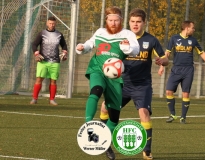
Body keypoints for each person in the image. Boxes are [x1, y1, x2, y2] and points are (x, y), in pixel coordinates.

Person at [99, 8, 168, 160]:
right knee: (105, 107)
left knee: (143, 112)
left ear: (144, 23)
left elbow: (165, 58)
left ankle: (147, 150)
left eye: (138, 22)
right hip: (121, 83)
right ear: (128, 22)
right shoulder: (119, 38)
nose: (135, 25)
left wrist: (162, 61)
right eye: (132, 22)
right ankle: (104, 142)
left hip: (142, 85)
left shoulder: (151, 40)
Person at [75, 6, 139, 160]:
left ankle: (105, 144)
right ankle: (88, 124)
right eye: (110, 20)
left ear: (121, 20)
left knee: (114, 117)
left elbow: (135, 49)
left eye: (116, 20)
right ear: (106, 20)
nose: (113, 22)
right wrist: (82, 47)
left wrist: (127, 49)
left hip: (115, 77)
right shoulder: (100, 32)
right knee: (96, 91)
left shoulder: (127, 34)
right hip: (97, 69)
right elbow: (90, 44)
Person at [165, 20, 205, 124]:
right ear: (187, 28)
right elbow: (167, 53)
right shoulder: (174, 38)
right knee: (169, 91)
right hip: (176, 69)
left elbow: (201, 53)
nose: (194, 30)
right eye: (192, 28)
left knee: (185, 94)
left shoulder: (193, 41)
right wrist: (162, 65)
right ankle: (172, 114)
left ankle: (183, 117)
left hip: (188, 70)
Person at [30, 16, 68, 105]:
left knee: (53, 80)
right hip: (43, 61)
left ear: (55, 24)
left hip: (55, 61)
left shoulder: (59, 34)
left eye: (53, 23)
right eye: (50, 23)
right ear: (47, 23)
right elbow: (34, 44)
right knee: (39, 79)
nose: (52, 25)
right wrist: (36, 53)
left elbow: (64, 45)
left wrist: (64, 53)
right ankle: (34, 99)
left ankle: (52, 100)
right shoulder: (42, 33)